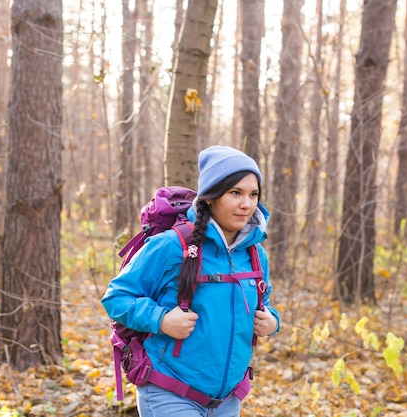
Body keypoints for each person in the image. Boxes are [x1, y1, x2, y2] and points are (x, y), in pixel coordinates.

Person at [102, 145, 281, 417]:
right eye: (235, 193)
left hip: (227, 400)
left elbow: (263, 303)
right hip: (169, 389)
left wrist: (272, 321)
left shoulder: (256, 254)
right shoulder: (172, 246)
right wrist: (161, 319)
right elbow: (117, 297)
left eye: (253, 194)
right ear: (210, 197)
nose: (247, 204)